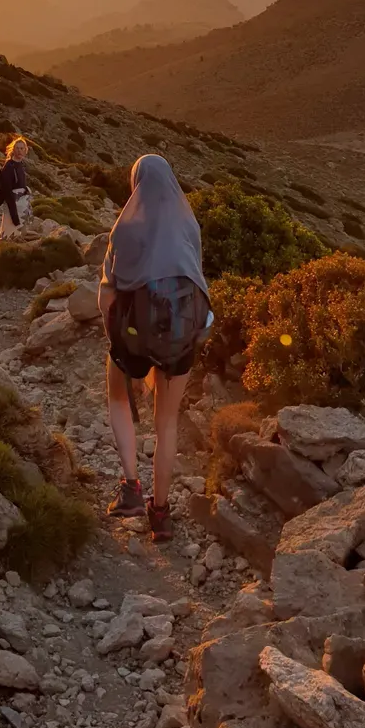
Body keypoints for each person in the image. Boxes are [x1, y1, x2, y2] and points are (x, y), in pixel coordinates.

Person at [98, 154, 212, 542]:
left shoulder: (125, 228)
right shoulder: (188, 224)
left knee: (117, 394)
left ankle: (131, 487)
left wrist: (115, 338)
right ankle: (160, 514)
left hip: (134, 334)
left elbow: (108, 294)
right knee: (167, 423)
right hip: (181, 334)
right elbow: (198, 279)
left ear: (137, 183)